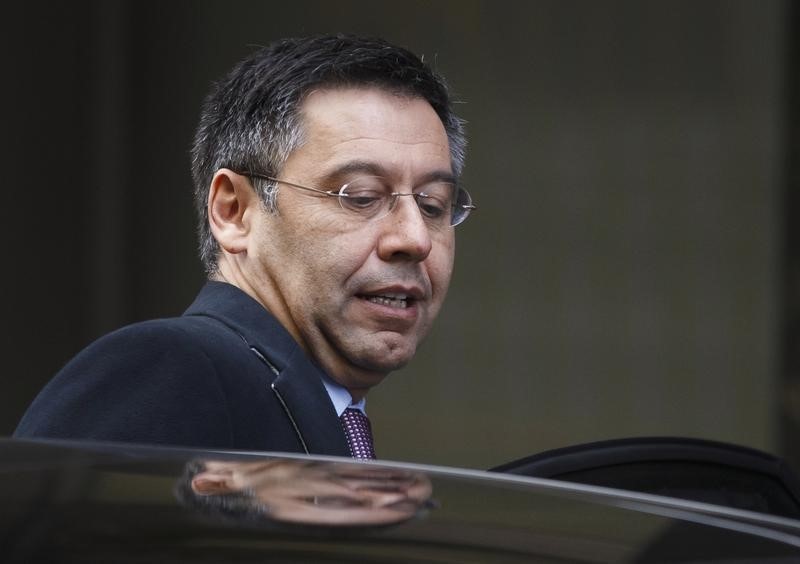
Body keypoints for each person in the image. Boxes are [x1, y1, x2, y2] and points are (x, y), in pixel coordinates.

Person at [14, 34, 474, 458]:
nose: (413, 238)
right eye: (361, 197)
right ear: (233, 211)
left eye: (433, 205)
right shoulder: (170, 370)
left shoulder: (320, 410)